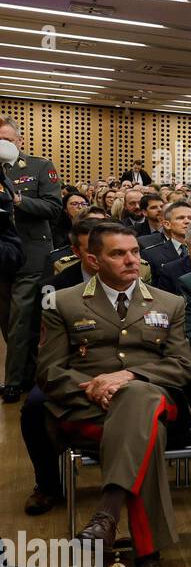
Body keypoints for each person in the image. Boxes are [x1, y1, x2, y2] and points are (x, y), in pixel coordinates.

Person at [37, 222, 191, 567]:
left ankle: (106, 516)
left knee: (138, 394)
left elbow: (181, 367)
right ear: (93, 259)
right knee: (146, 435)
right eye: (118, 254)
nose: (131, 260)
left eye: (135, 253)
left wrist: (127, 376)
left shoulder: (168, 303)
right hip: (88, 408)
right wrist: (92, 386)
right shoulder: (64, 302)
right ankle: (148, 562)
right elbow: (49, 372)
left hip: (154, 398)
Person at [0, 117, 62, 403]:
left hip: (30, 254)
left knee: (21, 318)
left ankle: (12, 382)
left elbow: (53, 208)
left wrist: (18, 201)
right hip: (3, 256)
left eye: (8, 140)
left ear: (19, 142)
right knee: (6, 319)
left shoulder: (39, 167)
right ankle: (24, 374)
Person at [141, 201, 191, 273]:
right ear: (167, 224)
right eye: (180, 218)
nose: (187, 221)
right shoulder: (151, 254)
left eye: (190, 218)